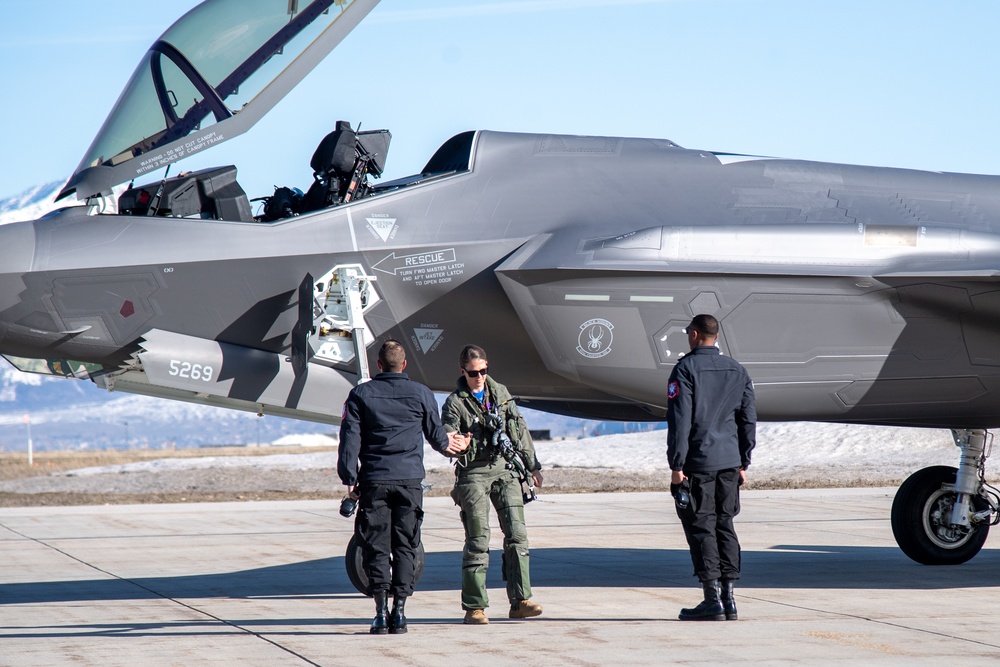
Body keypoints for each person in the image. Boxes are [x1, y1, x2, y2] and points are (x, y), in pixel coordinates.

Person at [338, 340, 467, 635]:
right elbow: (437, 437)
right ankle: (401, 614)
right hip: (410, 482)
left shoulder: (361, 394)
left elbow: (350, 440)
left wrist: (349, 480)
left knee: (376, 547)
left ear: (379, 366)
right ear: (404, 365)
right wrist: (454, 445)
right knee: (406, 545)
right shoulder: (421, 393)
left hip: (374, 482)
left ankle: (380, 614)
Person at [442, 344, 544, 625]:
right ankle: (474, 607)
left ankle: (520, 600)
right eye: (473, 373)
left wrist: (533, 466)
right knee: (478, 540)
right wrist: (455, 441)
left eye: (483, 371)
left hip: (504, 469)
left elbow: (520, 429)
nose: (479, 377)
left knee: (517, 534)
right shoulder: (455, 402)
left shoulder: (500, 394)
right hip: (473, 473)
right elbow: (448, 430)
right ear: (463, 371)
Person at [666, 314, 756, 621]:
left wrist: (677, 465)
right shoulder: (737, 370)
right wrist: (745, 460)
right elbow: (748, 419)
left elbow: (681, 421)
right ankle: (729, 599)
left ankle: (711, 599)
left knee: (702, 526)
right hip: (730, 462)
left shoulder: (685, 369)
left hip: (699, 463)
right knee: (725, 525)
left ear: (694, 334)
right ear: (715, 336)